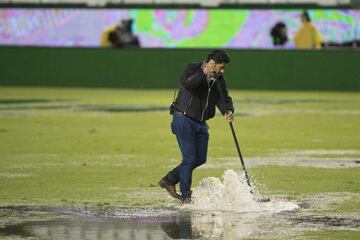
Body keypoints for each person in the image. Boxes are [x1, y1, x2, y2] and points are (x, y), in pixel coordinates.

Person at [159, 49, 234, 203]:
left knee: (200, 158)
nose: (222, 70)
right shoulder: (192, 69)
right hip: (183, 119)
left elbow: (223, 98)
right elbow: (188, 83)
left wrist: (228, 110)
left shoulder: (218, 78)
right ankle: (186, 197)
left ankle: (169, 179)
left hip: (200, 123)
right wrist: (204, 72)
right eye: (221, 67)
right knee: (189, 159)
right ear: (212, 63)